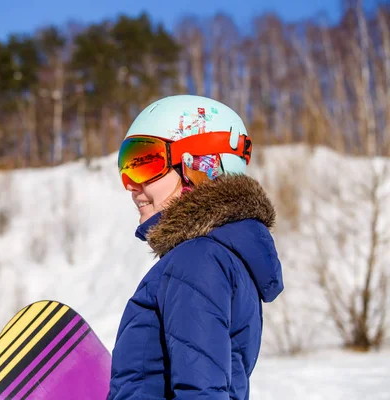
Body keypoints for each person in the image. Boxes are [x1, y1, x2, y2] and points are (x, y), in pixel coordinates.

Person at [107, 95, 284, 400]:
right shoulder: (222, 258)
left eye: (144, 162)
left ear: (200, 165)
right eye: (126, 165)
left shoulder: (198, 260)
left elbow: (201, 392)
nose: (130, 183)